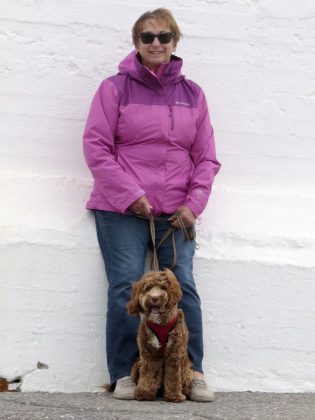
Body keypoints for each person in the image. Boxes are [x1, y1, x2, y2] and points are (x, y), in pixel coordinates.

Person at [83, 8, 221, 402]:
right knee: (126, 285)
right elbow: (96, 148)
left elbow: (207, 157)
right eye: (147, 37)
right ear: (136, 43)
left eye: (164, 37)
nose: (156, 43)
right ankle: (127, 373)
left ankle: (191, 372)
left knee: (185, 289)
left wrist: (194, 204)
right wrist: (132, 195)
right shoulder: (114, 89)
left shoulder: (194, 94)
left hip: (177, 212)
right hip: (121, 209)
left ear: (175, 41)